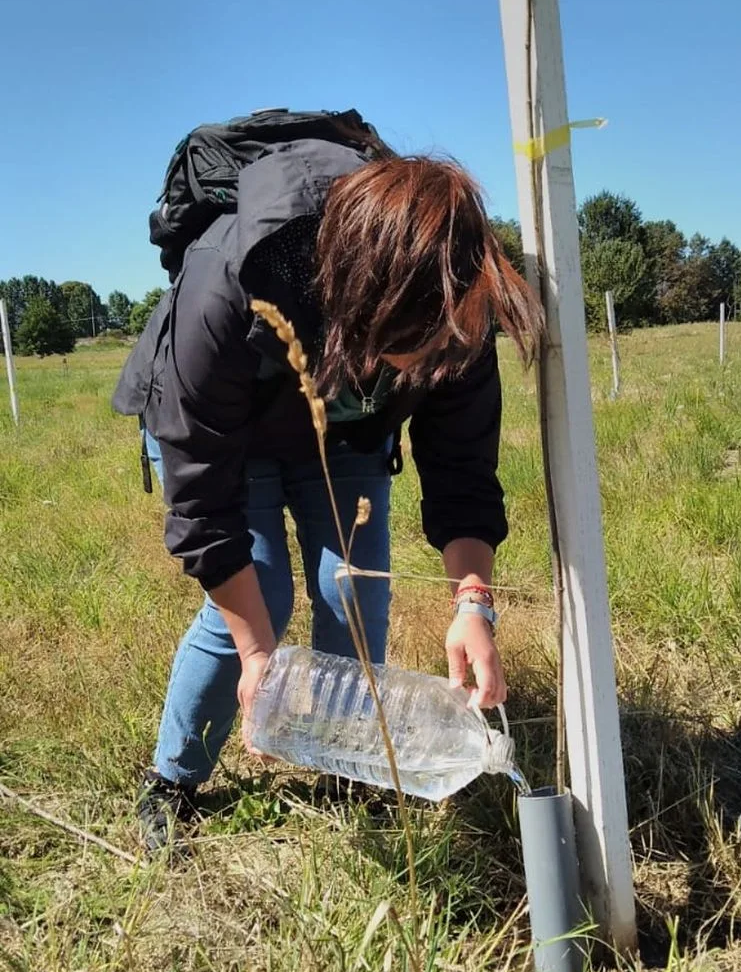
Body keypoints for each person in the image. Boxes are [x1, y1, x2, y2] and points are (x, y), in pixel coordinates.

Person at [114, 128, 542, 852]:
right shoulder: (229, 284)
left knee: (353, 588)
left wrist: (474, 604)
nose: (443, 364)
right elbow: (202, 512)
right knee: (263, 601)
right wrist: (258, 658)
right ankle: (173, 781)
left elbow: (463, 473)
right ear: (367, 307)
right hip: (229, 437)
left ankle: (350, 763)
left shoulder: (458, 297)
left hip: (342, 435)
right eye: (424, 350)